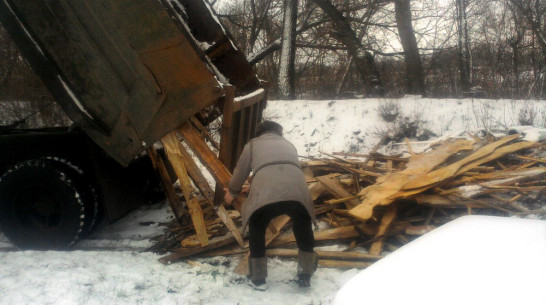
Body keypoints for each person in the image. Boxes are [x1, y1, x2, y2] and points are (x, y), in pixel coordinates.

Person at [224, 121, 317, 290]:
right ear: (278, 133)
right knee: (302, 224)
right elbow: (287, 168)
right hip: (297, 192)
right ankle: (306, 274)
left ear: (259, 133)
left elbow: (241, 171)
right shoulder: (289, 144)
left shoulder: (252, 145)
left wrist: (232, 191)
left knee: (257, 226)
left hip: (266, 194)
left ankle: (258, 279)